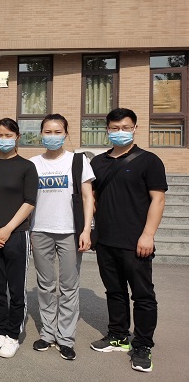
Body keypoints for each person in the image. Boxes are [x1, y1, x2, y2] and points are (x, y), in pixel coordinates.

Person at [89, 108, 167, 373]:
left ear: (135, 128)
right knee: (114, 291)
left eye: (125, 127)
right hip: (106, 240)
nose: (119, 132)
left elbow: (158, 199)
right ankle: (118, 335)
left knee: (143, 295)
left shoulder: (149, 161)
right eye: (114, 128)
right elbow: (93, 198)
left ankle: (142, 345)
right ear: (107, 129)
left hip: (136, 241)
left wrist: (148, 234)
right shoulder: (98, 163)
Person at [29, 114, 94, 360]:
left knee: (69, 287)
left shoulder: (78, 161)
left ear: (66, 134)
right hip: (40, 230)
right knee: (45, 285)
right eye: (48, 132)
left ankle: (65, 338)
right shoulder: (33, 164)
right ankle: (47, 333)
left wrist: (86, 229)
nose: (52, 136)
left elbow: (88, 197)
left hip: (70, 231)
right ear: (41, 134)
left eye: (58, 132)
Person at [0, 118, 38, 359]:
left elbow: (29, 201)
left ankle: (13, 335)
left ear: (17, 137)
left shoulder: (27, 167)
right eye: (0, 135)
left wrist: (7, 229)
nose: (4, 139)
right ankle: (0, 331)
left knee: (16, 288)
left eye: (8, 135)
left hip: (17, 234)